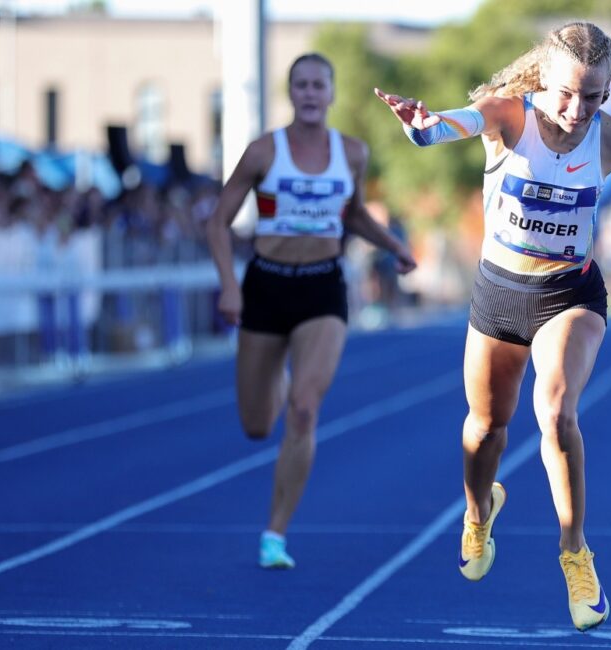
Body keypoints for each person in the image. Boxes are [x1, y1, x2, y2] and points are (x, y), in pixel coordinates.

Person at [375, 21, 611, 631]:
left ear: (608, 91)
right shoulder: (506, 116)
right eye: (568, 93)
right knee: (485, 429)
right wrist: (422, 126)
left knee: (556, 412)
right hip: (499, 293)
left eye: (593, 96)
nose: (577, 110)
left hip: (568, 294)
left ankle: (575, 552)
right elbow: (447, 126)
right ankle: (478, 511)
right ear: (544, 78)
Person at [207, 53, 416, 570]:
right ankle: (275, 371)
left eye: (318, 84)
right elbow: (217, 223)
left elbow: (354, 214)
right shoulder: (262, 152)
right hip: (266, 287)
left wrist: (395, 246)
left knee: (304, 408)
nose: (308, 93)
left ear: (331, 92)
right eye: (300, 84)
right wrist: (230, 287)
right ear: (290, 91)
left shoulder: (351, 152)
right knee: (257, 425)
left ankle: (275, 534)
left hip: (323, 288)